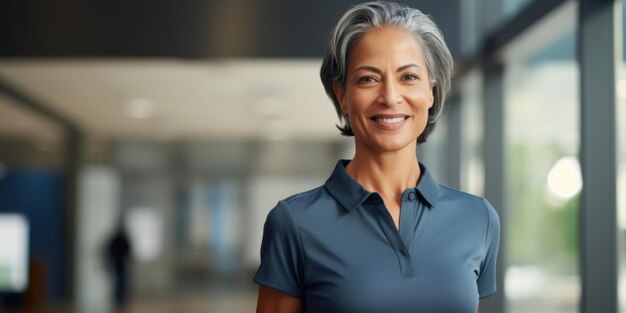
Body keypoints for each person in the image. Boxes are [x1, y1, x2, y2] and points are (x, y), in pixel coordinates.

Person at [254, 2, 500, 312]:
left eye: (408, 77)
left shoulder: (477, 218)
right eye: (368, 79)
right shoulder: (294, 223)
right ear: (342, 95)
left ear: (431, 92)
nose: (390, 97)